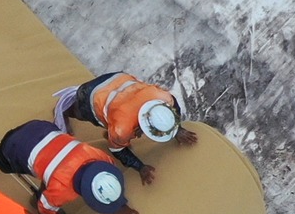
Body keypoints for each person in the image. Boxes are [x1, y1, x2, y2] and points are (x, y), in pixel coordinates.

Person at [0, 114, 137, 214]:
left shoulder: (101, 159)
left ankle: (40, 193)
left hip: (41, 128)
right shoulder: (62, 192)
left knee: (52, 172)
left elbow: (104, 178)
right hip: (15, 146)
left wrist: (118, 203)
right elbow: (45, 211)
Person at [53, 71, 195, 183]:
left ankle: (109, 130)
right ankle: (64, 110)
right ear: (141, 128)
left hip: (118, 78)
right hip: (91, 95)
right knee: (79, 112)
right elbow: (117, 149)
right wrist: (140, 167)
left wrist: (177, 129)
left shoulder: (164, 97)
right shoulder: (122, 129)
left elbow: (173, 106)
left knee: (114, 125)